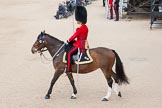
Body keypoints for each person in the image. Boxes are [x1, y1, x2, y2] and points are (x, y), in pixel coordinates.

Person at [65, 6, 88, 72]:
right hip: (84, 42)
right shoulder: (85, 27)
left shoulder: (80, 28)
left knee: (69, 53)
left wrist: (68, 40)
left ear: (79, 19)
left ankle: (68, 69)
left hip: (80, 44)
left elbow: (74, 36)